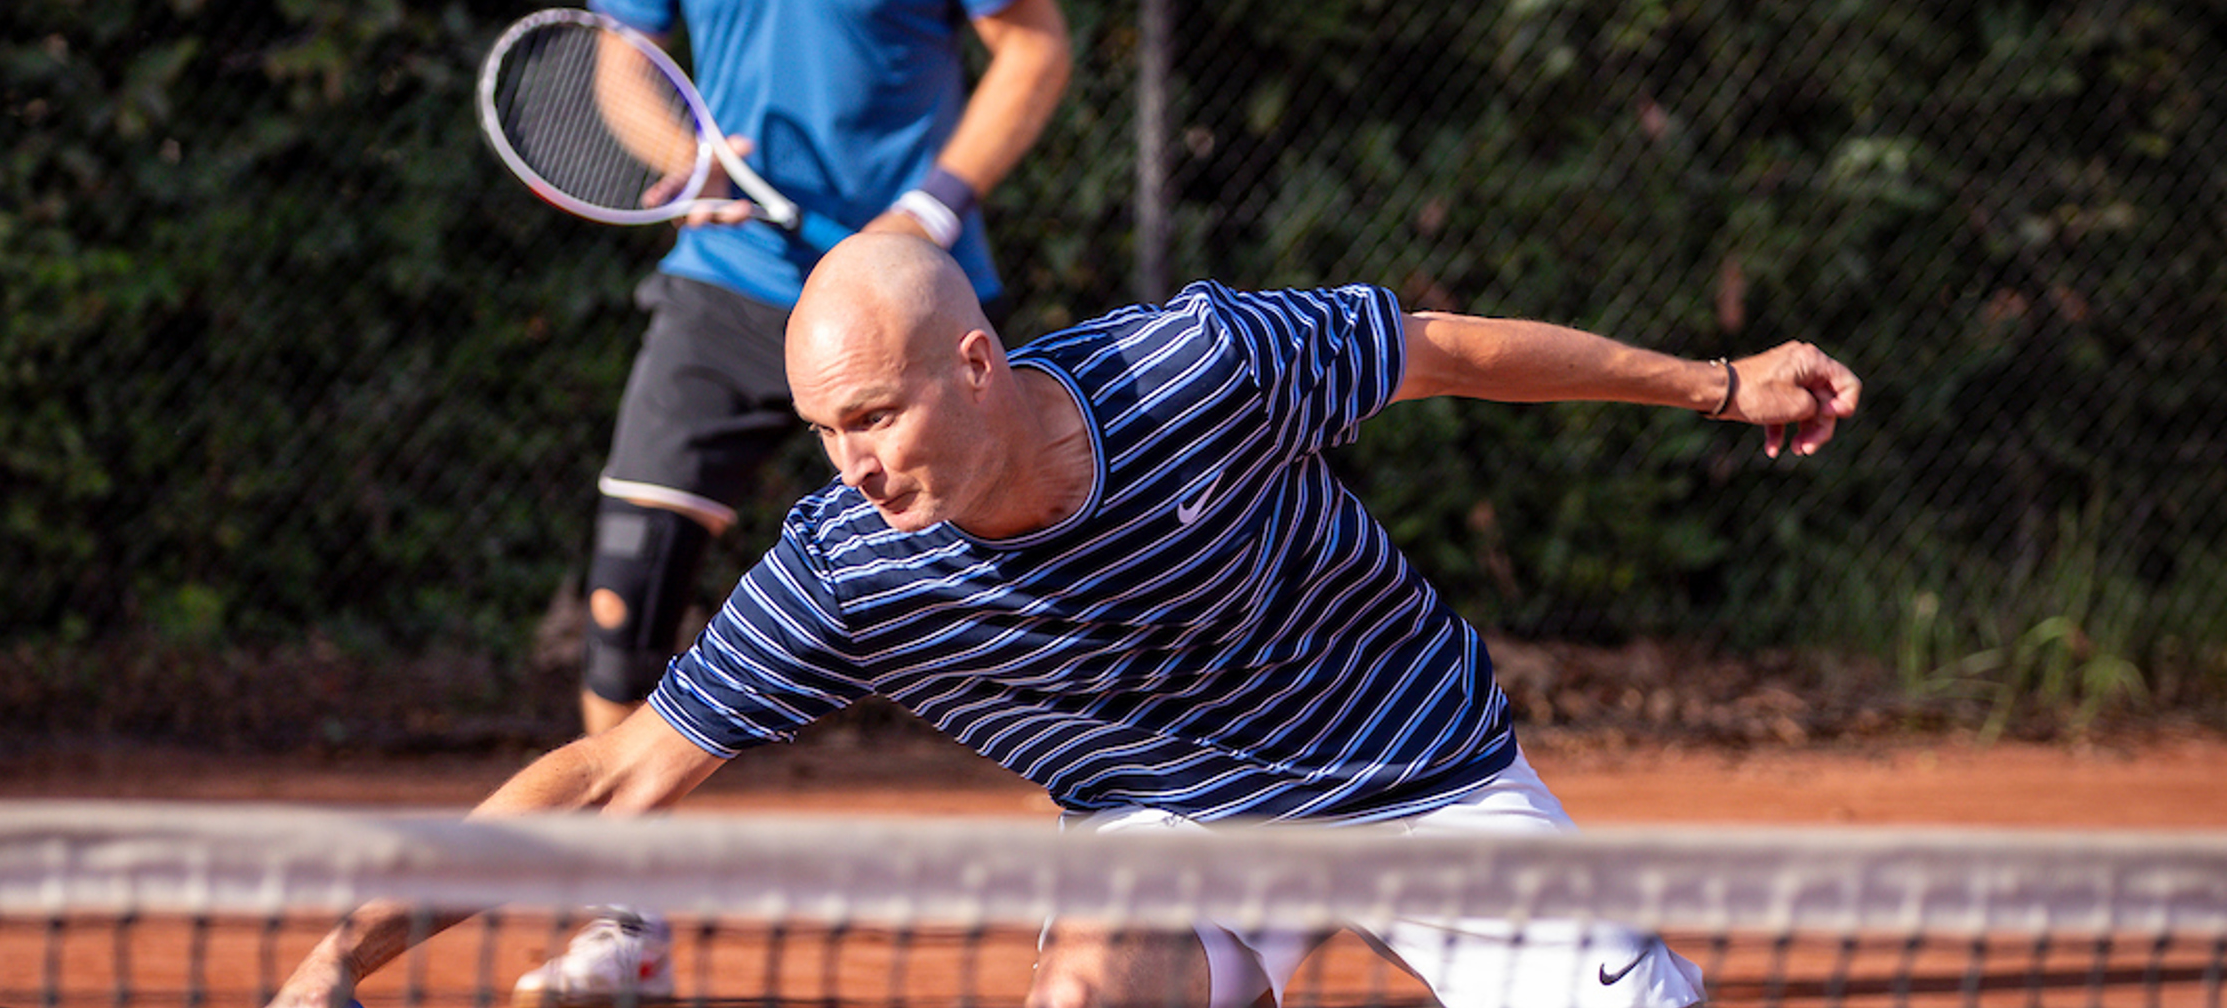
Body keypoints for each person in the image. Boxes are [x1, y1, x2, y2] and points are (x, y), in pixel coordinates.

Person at [276, 233, 1862, 1008]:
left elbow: (1449, 348)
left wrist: (1717, 383)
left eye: (876, 417)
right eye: (824, 429)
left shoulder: (1200, 369)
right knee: (1093, 991)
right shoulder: (851, 561)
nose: (849, 463)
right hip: (1167, 831)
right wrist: (337, 961)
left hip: (1419, 779)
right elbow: (612, 778)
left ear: (975, 366)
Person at [535, 0, 1072, 993]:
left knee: (1039, 581)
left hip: (913, 301)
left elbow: (1036, 44)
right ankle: (623, 919)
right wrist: (686, 157)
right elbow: (618, 64)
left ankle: (1116, 832)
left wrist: (928, 206)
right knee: (625, 594)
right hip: (726, 285)